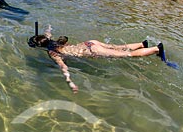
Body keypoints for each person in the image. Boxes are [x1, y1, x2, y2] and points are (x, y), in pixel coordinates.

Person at [28, 25, 166, 93]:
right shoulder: (52, 41)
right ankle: (142, 45)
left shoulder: (52, 53)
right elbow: (47, 34)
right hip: (90, 43)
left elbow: (63, 67)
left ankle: (156, 49)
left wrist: (70, 82)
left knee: (126, 55)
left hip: (90, 50)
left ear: (40, 46)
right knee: (118, 47)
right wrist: (49, 28)